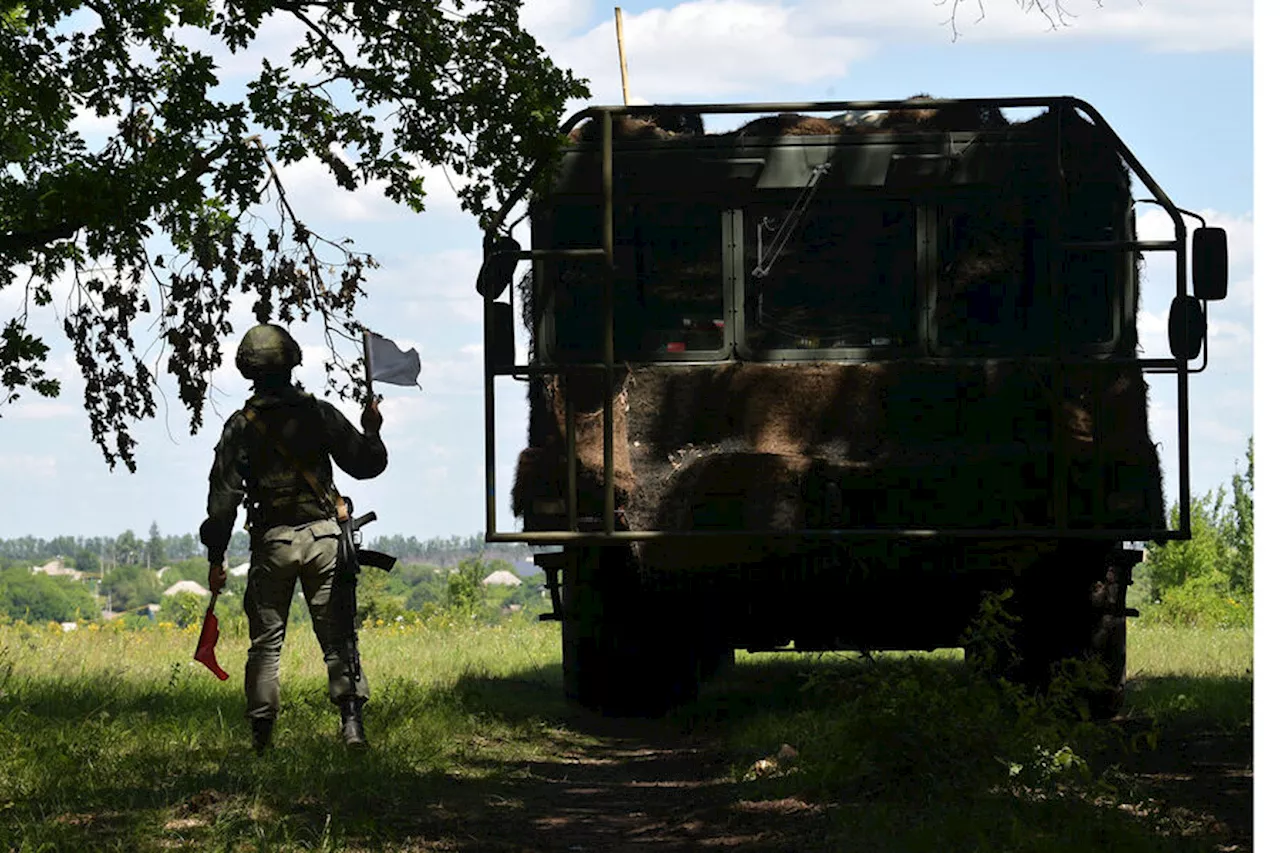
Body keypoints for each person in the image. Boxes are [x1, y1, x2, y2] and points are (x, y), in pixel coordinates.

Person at [199, 323, 387, 753]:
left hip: (273, 542)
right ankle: (352, 727)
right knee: (339, 637)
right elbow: (366, 464)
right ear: (292, 364)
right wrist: (372, 429)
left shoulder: (240, 427)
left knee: (266, 644)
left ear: (248, 370)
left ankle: (262, 742)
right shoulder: (318, 415)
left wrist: (216, 554)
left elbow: (222, 499)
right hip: (324, 539)